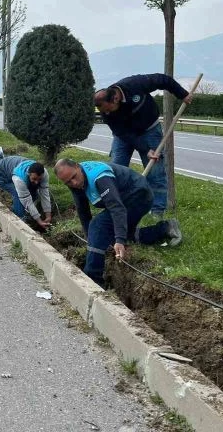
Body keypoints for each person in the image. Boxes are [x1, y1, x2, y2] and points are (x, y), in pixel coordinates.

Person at [54, 158, 182, 287]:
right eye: (68, 182)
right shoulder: (74, 180)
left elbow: (116, 208)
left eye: (74, 177)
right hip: (124, 198)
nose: (74, 183)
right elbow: (83, 211)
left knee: (98, 226)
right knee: (116, 234)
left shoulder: (100, 178)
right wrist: (90, 239)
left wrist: (119, 240)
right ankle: (165, 228)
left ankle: (93, 279)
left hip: (139, 196)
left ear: (77, 166)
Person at [94, 73, 193, 216]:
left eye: (108, 109)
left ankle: (157, 212)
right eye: (104, 111)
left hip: (150, 130)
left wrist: (182, 94)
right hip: (124, 135)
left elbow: (163, 79)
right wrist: (145, 149)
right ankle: (117, 208)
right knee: (116, 170)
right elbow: (122, 133)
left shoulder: (134, 84)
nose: (106, 113)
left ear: (115, 98)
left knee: (155, 171)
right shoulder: (106, 111)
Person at [0, 155, 52, 231]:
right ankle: (20, 219)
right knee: (17, 193)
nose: (37, 182)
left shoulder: (44, 174)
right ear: (28, 174)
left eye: (39, 179)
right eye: (34, 179)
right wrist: (39, 221)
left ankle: (28, 213)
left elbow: (45, 194)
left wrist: (48, 215)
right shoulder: (19, 179)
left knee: (34, 190)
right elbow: (26, 199)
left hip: (12, 168)